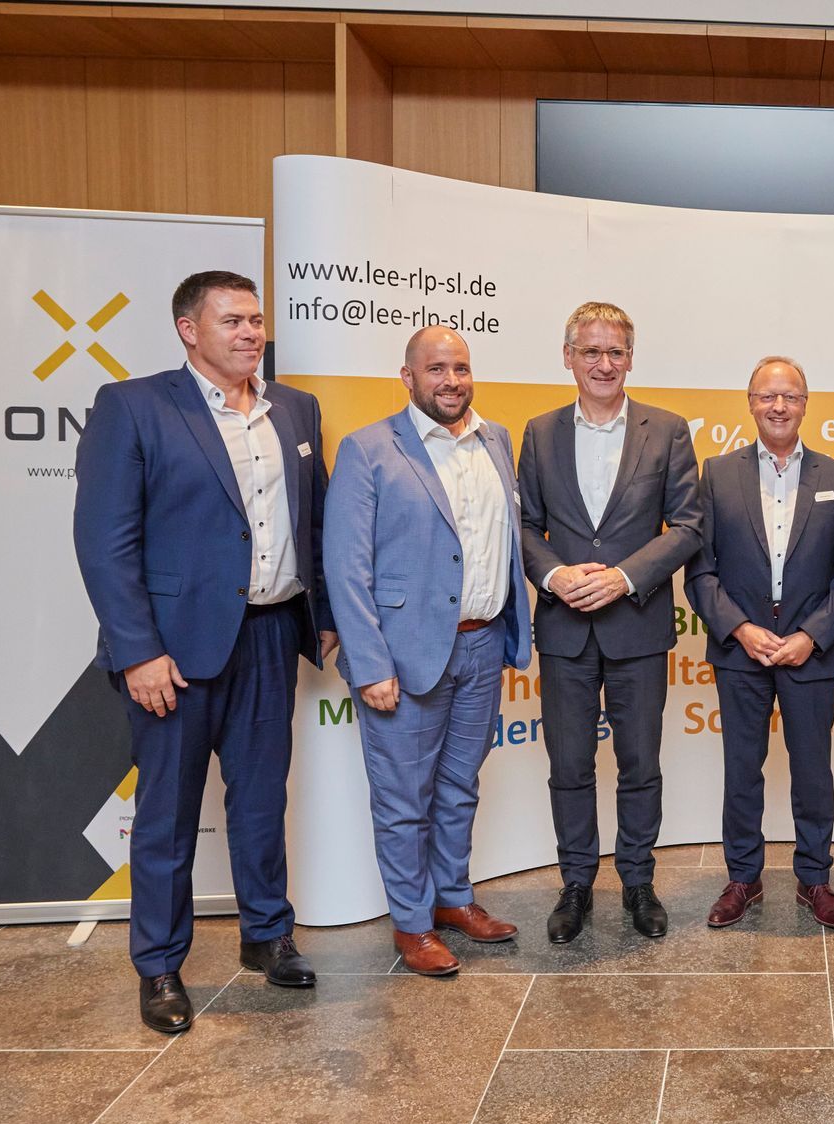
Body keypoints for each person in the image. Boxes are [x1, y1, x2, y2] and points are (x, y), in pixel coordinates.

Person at [73, 270, 336, 1035]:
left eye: (256, 320)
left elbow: (314, 522)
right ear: (189, 330)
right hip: (173, 652)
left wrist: (320, 612)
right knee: (168, 815)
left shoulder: (296, 408)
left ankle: (268, 936)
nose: (251, 332)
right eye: (232, 321)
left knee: (260, 802)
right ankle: (159, 966)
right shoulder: (134, 407)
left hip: (271, 635)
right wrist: (138, 652)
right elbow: (105, 543)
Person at [324, 327, 533, 976]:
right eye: (436, 368)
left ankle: (452, 898)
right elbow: (346, 567)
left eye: (461, 368)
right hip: (403, 657)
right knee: (403, 800)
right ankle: (413, 925)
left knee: (459, 787)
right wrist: (370, 664)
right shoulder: (368, 449)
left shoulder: (496, 439)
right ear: (408, 377)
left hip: (482, 645)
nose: (451, 380)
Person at [518, 301, 702, 943]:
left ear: (630, 358)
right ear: (568, 357)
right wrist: (554, 575)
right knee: (569, 764)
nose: (604, 363)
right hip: (564, 628)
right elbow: (524, 525)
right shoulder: (539, 432)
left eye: (615, 352)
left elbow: (688, 526)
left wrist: (624, 577)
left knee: (639, 763)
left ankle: (638, 881)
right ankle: (575, 883)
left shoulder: (668, 430)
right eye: (591, 351)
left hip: (637, 625)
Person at [685, 357, 834, 929]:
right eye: (767, 396)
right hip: (741, 650)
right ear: (750, 403)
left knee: (813, 771)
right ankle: (743, 878)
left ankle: (815, 879)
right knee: (742, 769)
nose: (779, 406)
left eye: (790, 396)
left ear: (806, 404)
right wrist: (741, 628)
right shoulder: (717, 474)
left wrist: (811, 635)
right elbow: (700, 571)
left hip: (809, 652)